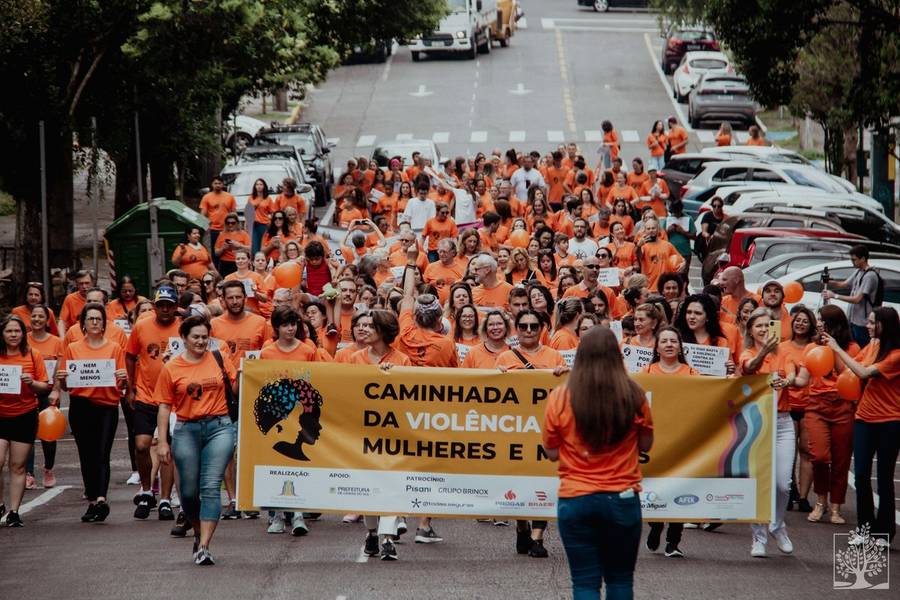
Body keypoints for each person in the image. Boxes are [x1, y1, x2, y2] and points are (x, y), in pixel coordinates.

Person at [544, 326, 652, 599]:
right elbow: (646, 445)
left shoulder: (560, 397)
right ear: (617, 355)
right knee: (620, 580)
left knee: (584, 582)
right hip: (622, 497)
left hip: (576, 498)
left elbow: (552, 452)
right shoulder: (634, 395)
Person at [154, 315, 238, 566]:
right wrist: (162, 442)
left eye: (205, 337)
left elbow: (236, 389)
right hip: (186, 429)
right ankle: (197, 529)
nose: (201, 342)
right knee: (189, 492)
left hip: (220, 427)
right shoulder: (172, 368)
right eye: (196, 337)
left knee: (210, 485)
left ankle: (204, 546)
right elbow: (164, 406)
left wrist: (246, 375)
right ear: (184, 339)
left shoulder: (219, 359)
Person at [821, 307, 899, 547]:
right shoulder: (872, 345)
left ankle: (883, 533)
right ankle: (865, 530)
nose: (868, 324)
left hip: (891, 421)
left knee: (884, 477)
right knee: (863, 474)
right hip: (864, 418)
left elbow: (863, 372)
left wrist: (836, 348)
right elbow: (847, 370)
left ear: (885, 325)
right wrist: (831, 350)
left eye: (873, 322)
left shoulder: (896, 354)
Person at [497, 309, 569, 558]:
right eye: (524, 326)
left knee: (543, 481)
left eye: (534, 326)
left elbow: (566, 392)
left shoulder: (555, 355)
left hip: (545, 428)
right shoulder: (505, 358)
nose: (529, 331)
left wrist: (562, 375)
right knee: (517, 481)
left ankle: (537, 538)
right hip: (515, 431)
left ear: (542, 329)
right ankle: (521, 526)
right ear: (516, 329)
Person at [55, 303, 128, 523]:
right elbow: (68, 386)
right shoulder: (73, 348)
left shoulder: (114, 348)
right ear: (83, 324)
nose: (95, 322)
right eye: (91, 319)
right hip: (81, 406)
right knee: (86, 455)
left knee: (102, 452)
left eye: (98, 319)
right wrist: (62, 379)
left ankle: (101, 498)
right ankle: (91, 501)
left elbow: (121, 383)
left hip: (106, 405)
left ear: (104, 323)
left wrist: (123, 378)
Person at [793, 305, 857, 525]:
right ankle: (820, 502)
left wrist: (835, 348)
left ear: (833, 324)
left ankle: (836, 507)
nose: (817, 323)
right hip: (816, 407)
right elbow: (802, 378)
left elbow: (846, 375)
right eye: (817, 319)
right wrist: (788, 380)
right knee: (819, 456)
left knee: (841, 461)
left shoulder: (852, 348)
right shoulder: (811, 347)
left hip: (843, 408)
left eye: (821, 319)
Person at [740, 308, 795, 558]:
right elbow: (749, 368)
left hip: (783, 421)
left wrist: (792, 379)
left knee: (783, 485)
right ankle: (758, 536)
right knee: (760, 481)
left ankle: (777, 525)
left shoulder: (785, 352)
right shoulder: (749, 352)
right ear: (750, 330)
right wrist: (764, 351)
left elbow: (795, 373)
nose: (763, 329)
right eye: (758, 326)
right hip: (757, 422)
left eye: (767, 325)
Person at [125, 285, 180, 521]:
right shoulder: (142, 326)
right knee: (141, 445)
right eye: (161, 305)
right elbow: (129, 355)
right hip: (146, 394)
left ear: (176, 306)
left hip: (173, 399)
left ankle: (166, 498)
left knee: (165, 448)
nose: (165, 309)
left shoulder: (183, 327)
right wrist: (130, 387)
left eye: (169, 305)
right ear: (155, 306)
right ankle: (147, 490)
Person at [643, 327, 695, 557]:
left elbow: (706, 399)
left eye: (674, 340)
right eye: (664, 341)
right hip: (655, 441)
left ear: (680, 346)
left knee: (681, 488)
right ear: (657, 347)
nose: (669, 344)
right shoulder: (646, 371)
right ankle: (655, 526)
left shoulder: (692, 373)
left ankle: (674, 541)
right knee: (657, 487)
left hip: (682, 441)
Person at [0, 315, 50, 527]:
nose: (13, 335)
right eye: (9, 331)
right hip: (0, 415)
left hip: (24, 414)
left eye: (17, 331)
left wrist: (32, 383)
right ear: (2, 334)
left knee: (17, 466)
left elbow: (45, 386)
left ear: (23, 334)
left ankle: (13, 511)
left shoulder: (33, 354)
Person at [778, 306, 816, 513]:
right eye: (797, 320)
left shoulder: (814, 347)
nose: (800, 324)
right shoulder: (783, 347)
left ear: (810, 325)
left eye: (805, 321)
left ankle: (803, 496)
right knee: (789, 451)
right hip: (789, 403)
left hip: (810, 404)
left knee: (807, 451)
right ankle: (790, 489)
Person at [25, 305, 62, 489]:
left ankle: (48, 468)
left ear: (47, 321)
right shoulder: (23, 340)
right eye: (34, 316)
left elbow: (59, 369)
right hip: (27, 392)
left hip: (48, 392)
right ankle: (29, 472)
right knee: (28, 433)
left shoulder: (56, 342)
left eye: (41, 316)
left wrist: (56, 389)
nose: (37, 319)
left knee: (48, 435)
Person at [822, 245, 881, 347]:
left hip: (863, 323)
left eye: (854, 260)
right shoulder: (859, 271)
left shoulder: (870, 276)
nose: (852, 262)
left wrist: (834, 295)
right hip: (853, 321)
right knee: (853, 348)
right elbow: (844, 284)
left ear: (863, 259)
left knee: (861, 348)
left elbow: (857, 299)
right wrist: (829, 281)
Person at [635, 219, 683, 291]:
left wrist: (683, 264)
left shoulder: (668, 245)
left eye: (653, 228)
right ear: (645, 231)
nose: (651, 230)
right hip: (649, 287)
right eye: (648, 228)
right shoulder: (643, 246)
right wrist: (638, 246)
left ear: (658, 229)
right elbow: (639, 256)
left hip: (665, 288)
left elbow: (680, 259)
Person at [200, 175, 237, 264]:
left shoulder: (229, 197)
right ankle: (216, 271)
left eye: (219, 183)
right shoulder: (206, 197)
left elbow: (234, 213)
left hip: (227, 228)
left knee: (229, 250)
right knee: (215, 252)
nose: (217, 185)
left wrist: (235, 227)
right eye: (215, 183)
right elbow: (203, 214)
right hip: (213, 229)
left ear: (222, 184)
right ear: (212, 185)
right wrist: (203, 227)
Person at [214, 213, 252, 277]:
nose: (230, 225)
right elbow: (216, 253)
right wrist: (223, 248)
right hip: (225, 263)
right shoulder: (222, 234)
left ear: (237, 223)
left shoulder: (243, 234)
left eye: (233, 223)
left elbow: (250, 248)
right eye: (228, 223)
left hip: (240, 261)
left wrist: (239, 245)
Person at [58, 270, 95, 335]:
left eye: (87, 283)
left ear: (92, 283)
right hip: (75, 335)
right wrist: (62, 339)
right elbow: (62, 321)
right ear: (76, 285)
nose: (84, 286)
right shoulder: (70, 299)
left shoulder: (99, 297)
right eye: (81, 284)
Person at [248, 178, 277, 254]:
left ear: (264, 186)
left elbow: (273, 213)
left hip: (264, 224)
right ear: (255, 186)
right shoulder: (251, 197)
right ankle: (255, 262)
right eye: (257, 184)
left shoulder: (268, 199)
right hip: (253, 224)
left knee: (263, 245)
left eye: (261, 184)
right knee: (254, 246)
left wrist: (271, 222)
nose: (259, 186)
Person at [696, 197, 724, 264]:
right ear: (712, 206)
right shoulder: (708, 215)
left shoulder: (725, 217)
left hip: (721, 244)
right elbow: (704, 232)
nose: (716, 208)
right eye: (714, 206)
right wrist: (708, 236)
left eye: (719, 206)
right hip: (709, 244)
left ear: (722, 206)